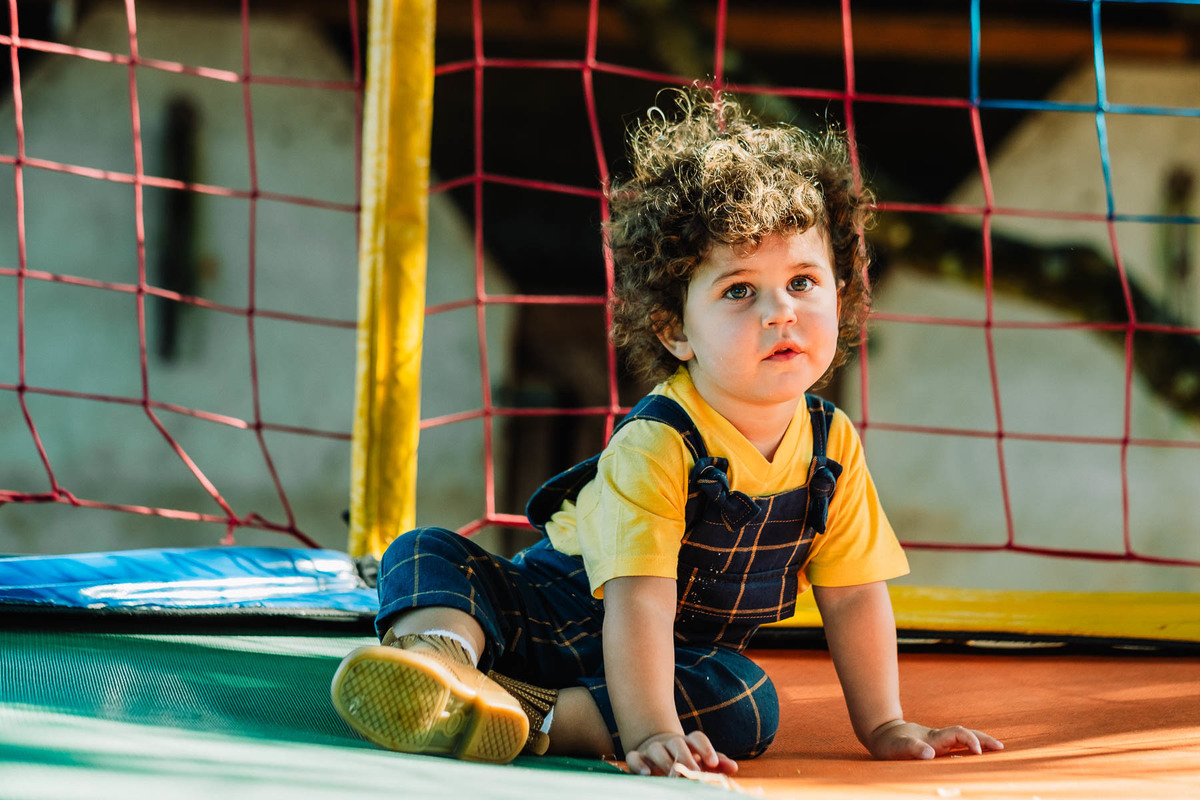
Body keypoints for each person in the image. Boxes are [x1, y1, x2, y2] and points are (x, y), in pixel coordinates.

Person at [330, 87, 1003, 776]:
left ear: (843, 293)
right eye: (739, 290)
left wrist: (884, 723)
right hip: (546, 615)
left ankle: (515, 715)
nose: (780, 312)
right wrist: (651, 730)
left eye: (803, 281)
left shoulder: (832, 446)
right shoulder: (662, 441)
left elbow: (855, 594)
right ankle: (437, 661)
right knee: (427, 552)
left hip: (670, 654)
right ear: (675, 329)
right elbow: (640, 597)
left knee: (745, 701)